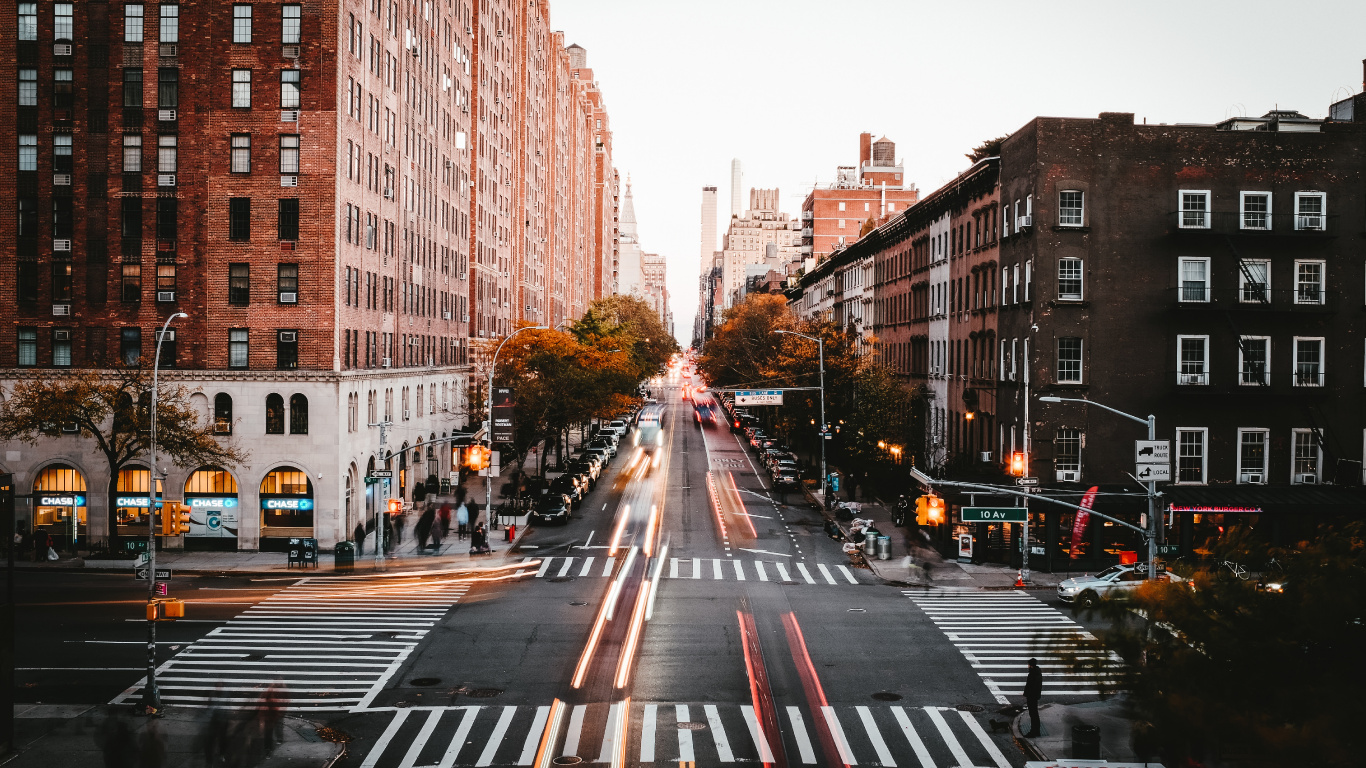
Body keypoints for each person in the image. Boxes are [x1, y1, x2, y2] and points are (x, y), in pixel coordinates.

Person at [1024, 658, 1043, 737]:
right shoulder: (1037, 672)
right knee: (1035, 714)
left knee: (1033, 714)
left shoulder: (1032, 674)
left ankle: (1033, 732)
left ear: (1031, 665)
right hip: (1034, 696)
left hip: (1032, 696)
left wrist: (1027, 694)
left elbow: (1030, 686)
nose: (1028, 666)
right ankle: (1037, 731)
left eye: (1028, 664)